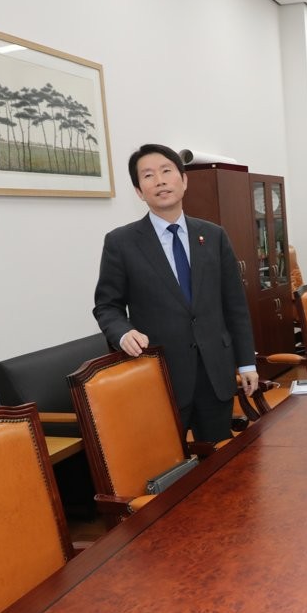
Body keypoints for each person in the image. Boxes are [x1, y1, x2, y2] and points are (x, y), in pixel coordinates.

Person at [94, 143, 258, 442]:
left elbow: (235, 305)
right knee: (167, 462)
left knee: (220, 459)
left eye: (166, 171)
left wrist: (247, 362)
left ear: (183, 180)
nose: (160, 181)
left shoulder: (213, 235)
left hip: (215, 373)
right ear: (139, 191)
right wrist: (123, 333)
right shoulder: (121, 242)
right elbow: (107, 306)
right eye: (148, 175)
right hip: (161, 375)